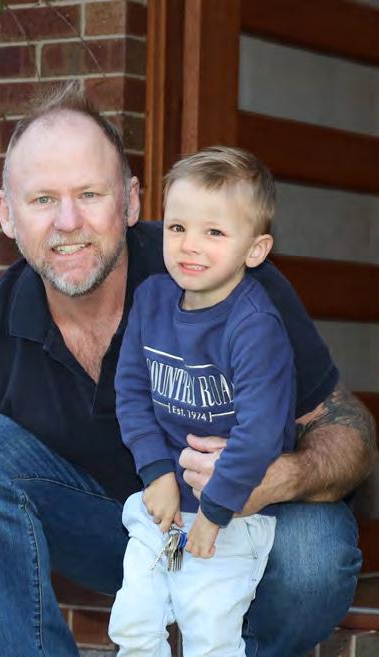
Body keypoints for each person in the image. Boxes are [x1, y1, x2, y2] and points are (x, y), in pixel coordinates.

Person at [0, 82, 376, 657]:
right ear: (7, 215)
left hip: (238, 527)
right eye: (42, 200)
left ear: (132, 201)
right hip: (117, 532)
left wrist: (279, 477)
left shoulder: (221, 276)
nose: (68, 221)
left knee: (317, 553)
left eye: (90, 193)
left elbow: (349, 430)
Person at [109, 146, 296, 656]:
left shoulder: (254, 327)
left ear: (255, 250)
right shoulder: (151, 300)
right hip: (163, 506)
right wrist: (156, 473)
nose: (190, 245)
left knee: (209, 638)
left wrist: (213, 513)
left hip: (232, 514)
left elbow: (259, 435)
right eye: (177, 227)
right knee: (133, 623)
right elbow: (132, 392)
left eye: (214, 232)